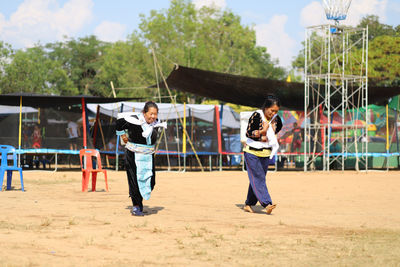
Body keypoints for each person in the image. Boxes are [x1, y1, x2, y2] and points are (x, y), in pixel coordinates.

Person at [116, 101, 167, 216]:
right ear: (144, 113)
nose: (153, 117)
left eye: (155, 114)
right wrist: (123, 135)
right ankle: (136, 206)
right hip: (133, 155)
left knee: (150, 180)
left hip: (148, 156)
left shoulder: (155, 123)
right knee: (135, 180)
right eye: (151, 114)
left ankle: (139, 202)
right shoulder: (134, 120)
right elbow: (119, 122)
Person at [243, 95, 282, 215]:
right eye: (272, 110)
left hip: (265, 153)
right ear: (266, 108)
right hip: (252, 152)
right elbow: (248, 133)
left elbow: (278, 127)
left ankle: (248, 203)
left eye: (276, 111)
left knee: (257, 178)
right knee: (258, 178)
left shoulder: (276, 118)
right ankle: (267, 203)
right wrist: (262, 132)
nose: (273, 113)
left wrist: (271, 132)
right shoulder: (257, 115)